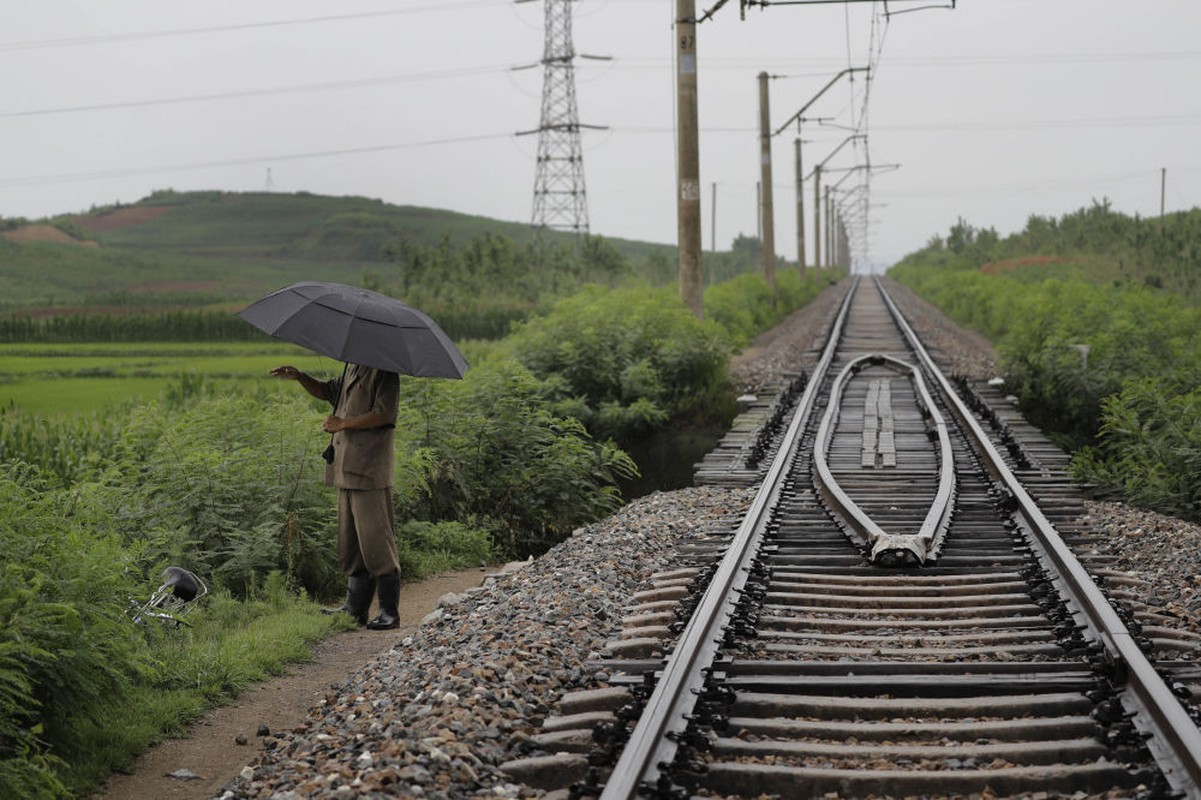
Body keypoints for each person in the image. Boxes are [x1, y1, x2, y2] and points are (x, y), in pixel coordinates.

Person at [270, 362, 402, 630]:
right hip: (346, 467)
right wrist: (300, 376)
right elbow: (328, 391)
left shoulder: (384, 371)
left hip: (369, 469)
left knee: (376, 541)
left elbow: (384, 414)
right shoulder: (353, 367)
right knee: (351, 541)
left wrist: (344, 423)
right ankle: (355, 610)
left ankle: (390, 612)